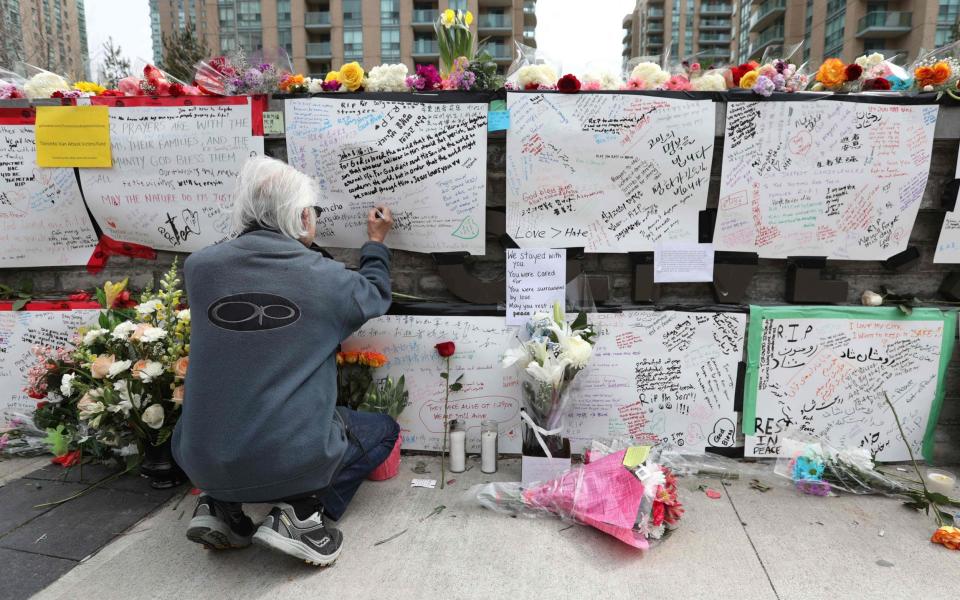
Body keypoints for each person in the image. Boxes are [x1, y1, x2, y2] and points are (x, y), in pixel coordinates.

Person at [172, 156, 399, 566]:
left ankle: (221, 506)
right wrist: (376, 243)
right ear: (301, 216)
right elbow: (375, 294)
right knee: (381, 430)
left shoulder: (199, 268)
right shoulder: (326, 278)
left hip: (199, 457)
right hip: (289, 454)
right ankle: (302, 514)